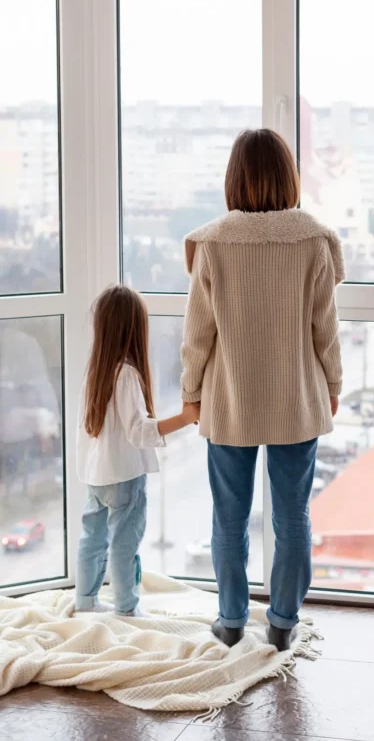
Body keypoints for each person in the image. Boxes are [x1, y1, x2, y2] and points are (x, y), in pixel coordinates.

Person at [181, 129, 344, 651]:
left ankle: (230, 620)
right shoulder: (313, 239)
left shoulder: (213, 243)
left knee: (229, 515)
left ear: (234, 179)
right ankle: (282, 621)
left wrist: (190, 391)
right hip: (296, 400)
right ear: (288, 177)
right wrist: (334, 385)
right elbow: (327, 329)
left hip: (231, 401)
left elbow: (197, 335)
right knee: (292, 514)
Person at [75, 285, 200, 616]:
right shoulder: (127, 374)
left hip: (96, 474)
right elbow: (140, 431)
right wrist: (186, 418)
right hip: (124, 475)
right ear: (135, 328)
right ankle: (127, 607)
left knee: (93, 539)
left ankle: (85, 601)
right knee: (123, 544)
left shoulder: (97, 371)